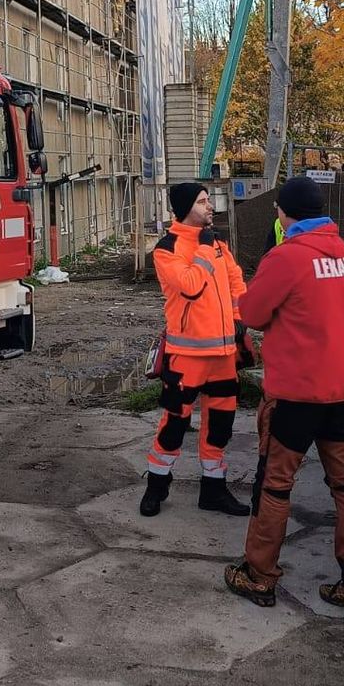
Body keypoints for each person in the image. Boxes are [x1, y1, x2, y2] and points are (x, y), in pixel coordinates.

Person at [224, 176, 344, 619]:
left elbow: (252, 313)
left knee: (274, 485)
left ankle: (259, 575)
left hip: (296, 395)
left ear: (285, 212)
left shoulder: (287, 257)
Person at [140, 182, 250, 520]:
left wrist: (237, 319)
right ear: (187, 207)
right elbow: (189, 286)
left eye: (208, 201)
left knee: (220, 426)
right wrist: (203, 250)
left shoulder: (217, 242)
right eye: (203, 202)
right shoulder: (166, 248)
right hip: (186, 357)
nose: (210, 206)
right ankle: (156, 487)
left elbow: (235, 282)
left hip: (223, 356)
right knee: (175, 424)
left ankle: (213, 491)